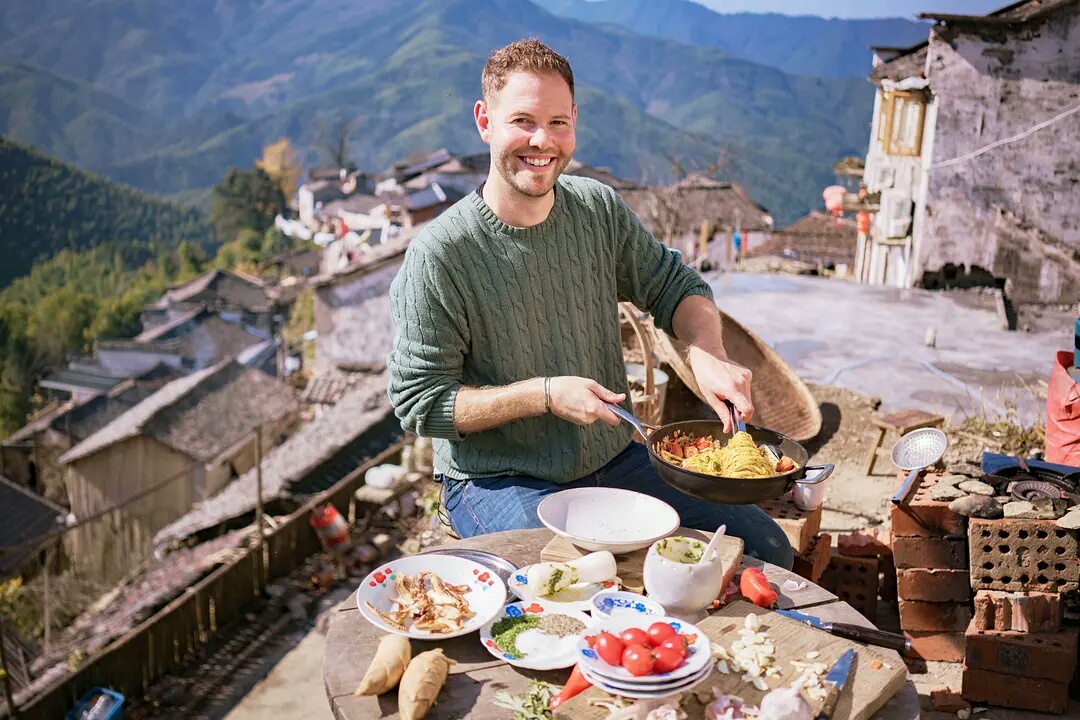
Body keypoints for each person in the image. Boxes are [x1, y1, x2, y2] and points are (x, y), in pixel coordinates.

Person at [386, 39, 793, 569]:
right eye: (523, 121)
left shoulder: (597, 209)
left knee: (766, 549)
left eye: (558, 122)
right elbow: (419, 403)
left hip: (614, 458)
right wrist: (544, 395)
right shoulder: (439, 255)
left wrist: (707, 354)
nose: (542, 141)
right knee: (581, 579)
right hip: (497, 479)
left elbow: (677, 287)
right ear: (485, 121)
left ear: (575, 119)